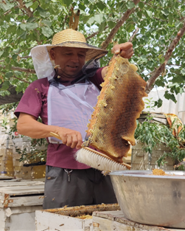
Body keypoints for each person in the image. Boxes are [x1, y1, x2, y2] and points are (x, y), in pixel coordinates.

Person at [14, 27, 133, 209]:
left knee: (109, 223)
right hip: (65, 172)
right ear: (53, 55)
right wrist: (59, 131)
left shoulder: (95, 80)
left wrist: (122, 56)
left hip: (105, 169)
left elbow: (112, 72)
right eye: (68, 53)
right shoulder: (41, 87)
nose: (75, 60)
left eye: (80, 54)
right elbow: (23, 125)